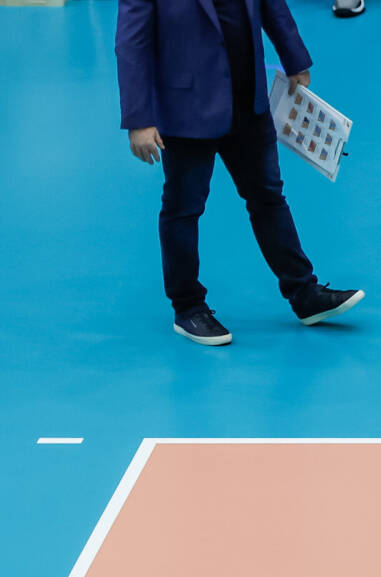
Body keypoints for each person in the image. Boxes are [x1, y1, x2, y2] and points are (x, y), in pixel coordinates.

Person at [115, 0, 363, 346]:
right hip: (187, 107)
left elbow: (271, 5)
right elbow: (131, 41)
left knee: (268, 197)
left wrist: (294, 57)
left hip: (249, 101)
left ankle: (304, 293)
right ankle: (188, 307)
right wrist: (139, 118)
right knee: (183, 208)